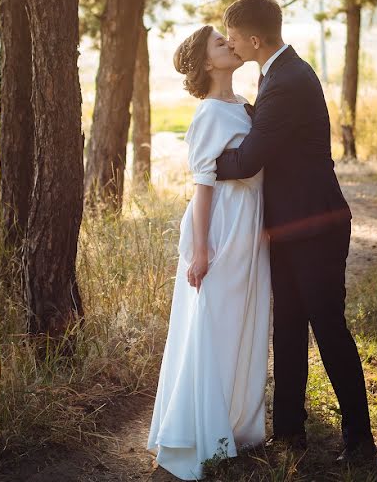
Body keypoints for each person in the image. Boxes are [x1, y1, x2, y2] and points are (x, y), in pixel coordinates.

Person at [215, 0, 377, 467]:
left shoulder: (287, 81)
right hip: (289, 227)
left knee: (328, 329)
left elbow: (246, 161)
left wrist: (204, 162)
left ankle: (361, 443)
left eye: (233, 38)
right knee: (286, 328)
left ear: (254, 38)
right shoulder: (280, 74)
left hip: (317, 229)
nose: (231, 45)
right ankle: (288, 432)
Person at [146, 25, 271, 480]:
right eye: (221, 43)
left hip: (251, 225)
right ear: (205, 63)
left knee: (245, 320)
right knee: (211, 326)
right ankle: (196, 432)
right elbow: (202, 185)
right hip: (220, 225)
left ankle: (236, 424)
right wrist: (201, 249)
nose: (231, 45)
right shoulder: (208, 114)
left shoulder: (244, 106)